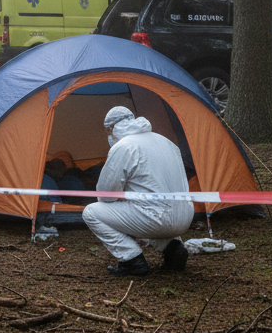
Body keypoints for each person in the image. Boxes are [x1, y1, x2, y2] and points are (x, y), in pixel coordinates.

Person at [82, 106, 194, 276]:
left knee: (91, 212)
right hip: (186, 217)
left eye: (108, 131)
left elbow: (105, 194)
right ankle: (173, 249)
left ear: (112, 128)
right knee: (145, 210)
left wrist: (121, 198)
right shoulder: (166, 142)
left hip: (156, 219)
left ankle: (131, 260)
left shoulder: (124, 147)